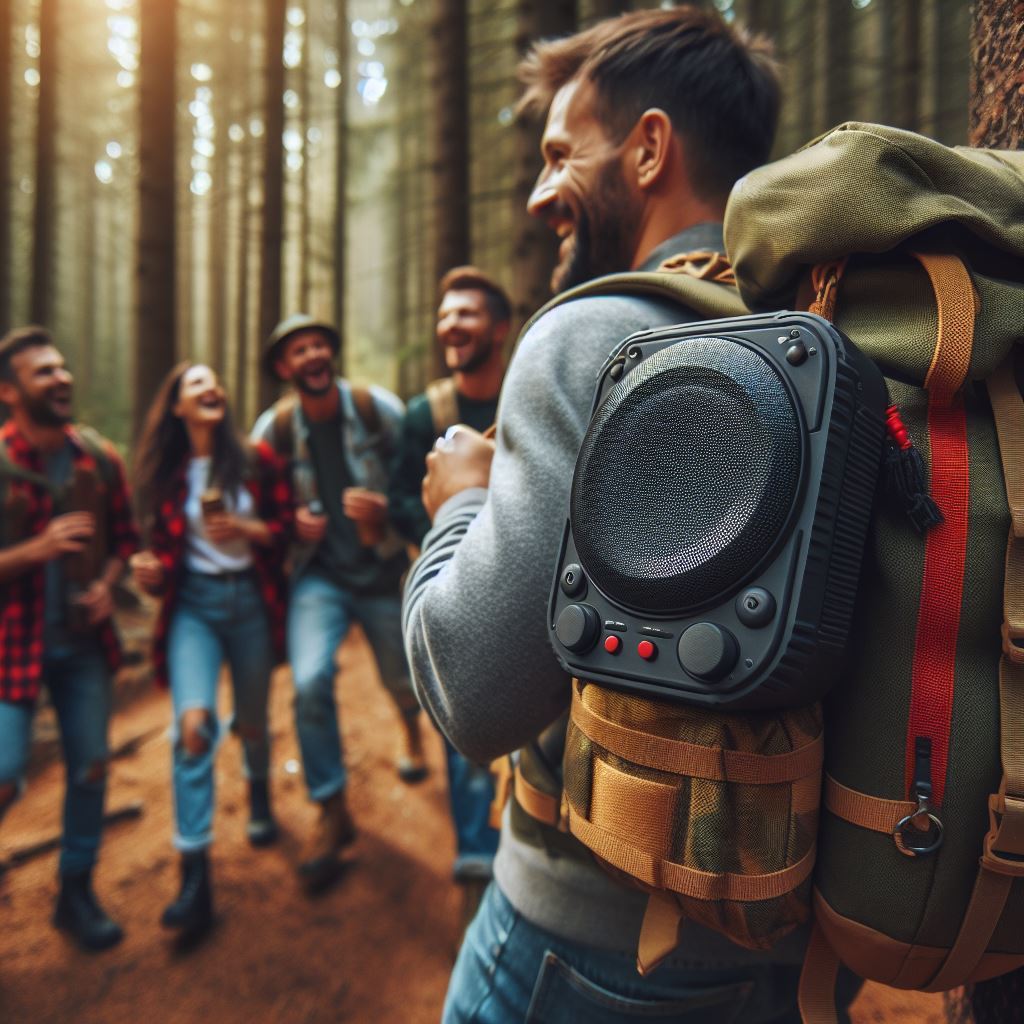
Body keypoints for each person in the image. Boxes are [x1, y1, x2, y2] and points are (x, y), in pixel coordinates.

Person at [401, 8, 856, 1021]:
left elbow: (472, 692)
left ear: (649, 148)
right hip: (805, 958)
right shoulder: (835, 334)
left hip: (581, 950)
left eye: (561, 152)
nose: (536, 192)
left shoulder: (593, 336)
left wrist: (459, 501)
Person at [251, 313, 426, 890]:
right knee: (308, 683)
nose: (312, 356)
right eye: (298, 350)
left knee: (404, 682)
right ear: (284, 368)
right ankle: (330, 807)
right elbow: (258, 512)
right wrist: (288, 522)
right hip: (317, 578)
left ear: (332, 354)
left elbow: (420, 483)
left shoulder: (380, 411)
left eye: (319, 345)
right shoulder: (272, 432)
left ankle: (410, 727)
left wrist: (387, 511)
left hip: (379, 575)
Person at [130, 362, 292, 938]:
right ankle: (194, 875)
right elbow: (154, 558)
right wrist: (146, 575)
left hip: (249, 601)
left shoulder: (255, 460)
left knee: (251, 721)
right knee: (194, 727)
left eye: (214, 381)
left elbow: (285, 530)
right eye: (194, 384)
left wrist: (246, 532)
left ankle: (259, 794)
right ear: (176, 406)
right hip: (193, 609)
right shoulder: (166, 475)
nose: (210, 388)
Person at [0, 325, 138, 951]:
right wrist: (40, 549)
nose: (60, 380)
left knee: (88, 768)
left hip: (85, 648)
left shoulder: (100, 458)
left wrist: (110, 585)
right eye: (42, 373)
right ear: (9, 392)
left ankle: (75, 893)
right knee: (5, 772)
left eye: (61, 369)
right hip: (11, 646)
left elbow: (127, 542)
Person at [388, 266, 510, 912]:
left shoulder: (528, 394)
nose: (450, 326)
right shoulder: (423, 415)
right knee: (464, 719)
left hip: (523, 579)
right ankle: (474, 865)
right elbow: (398, 498)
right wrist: (447, 520)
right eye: (444, 316)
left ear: (501, 327)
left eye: (465, 314)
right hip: (451, 581)